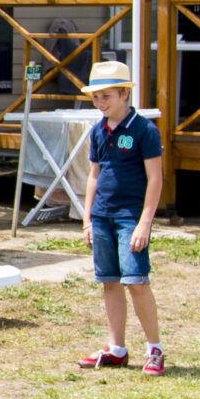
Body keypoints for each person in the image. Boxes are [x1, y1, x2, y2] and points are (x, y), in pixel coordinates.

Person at [76, 61, 167, 376]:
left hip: (130, 217)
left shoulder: (144, 130)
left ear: (125, 94)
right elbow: (93, 176)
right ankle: (117, 349)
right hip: (102, 217)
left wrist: (144, 222)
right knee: (110, 282)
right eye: (96, 97)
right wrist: (87, 218)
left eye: (107, 96)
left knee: (137, 282)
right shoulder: (98, 130)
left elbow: (155, 179)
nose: (101, 103)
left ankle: (155, 349)